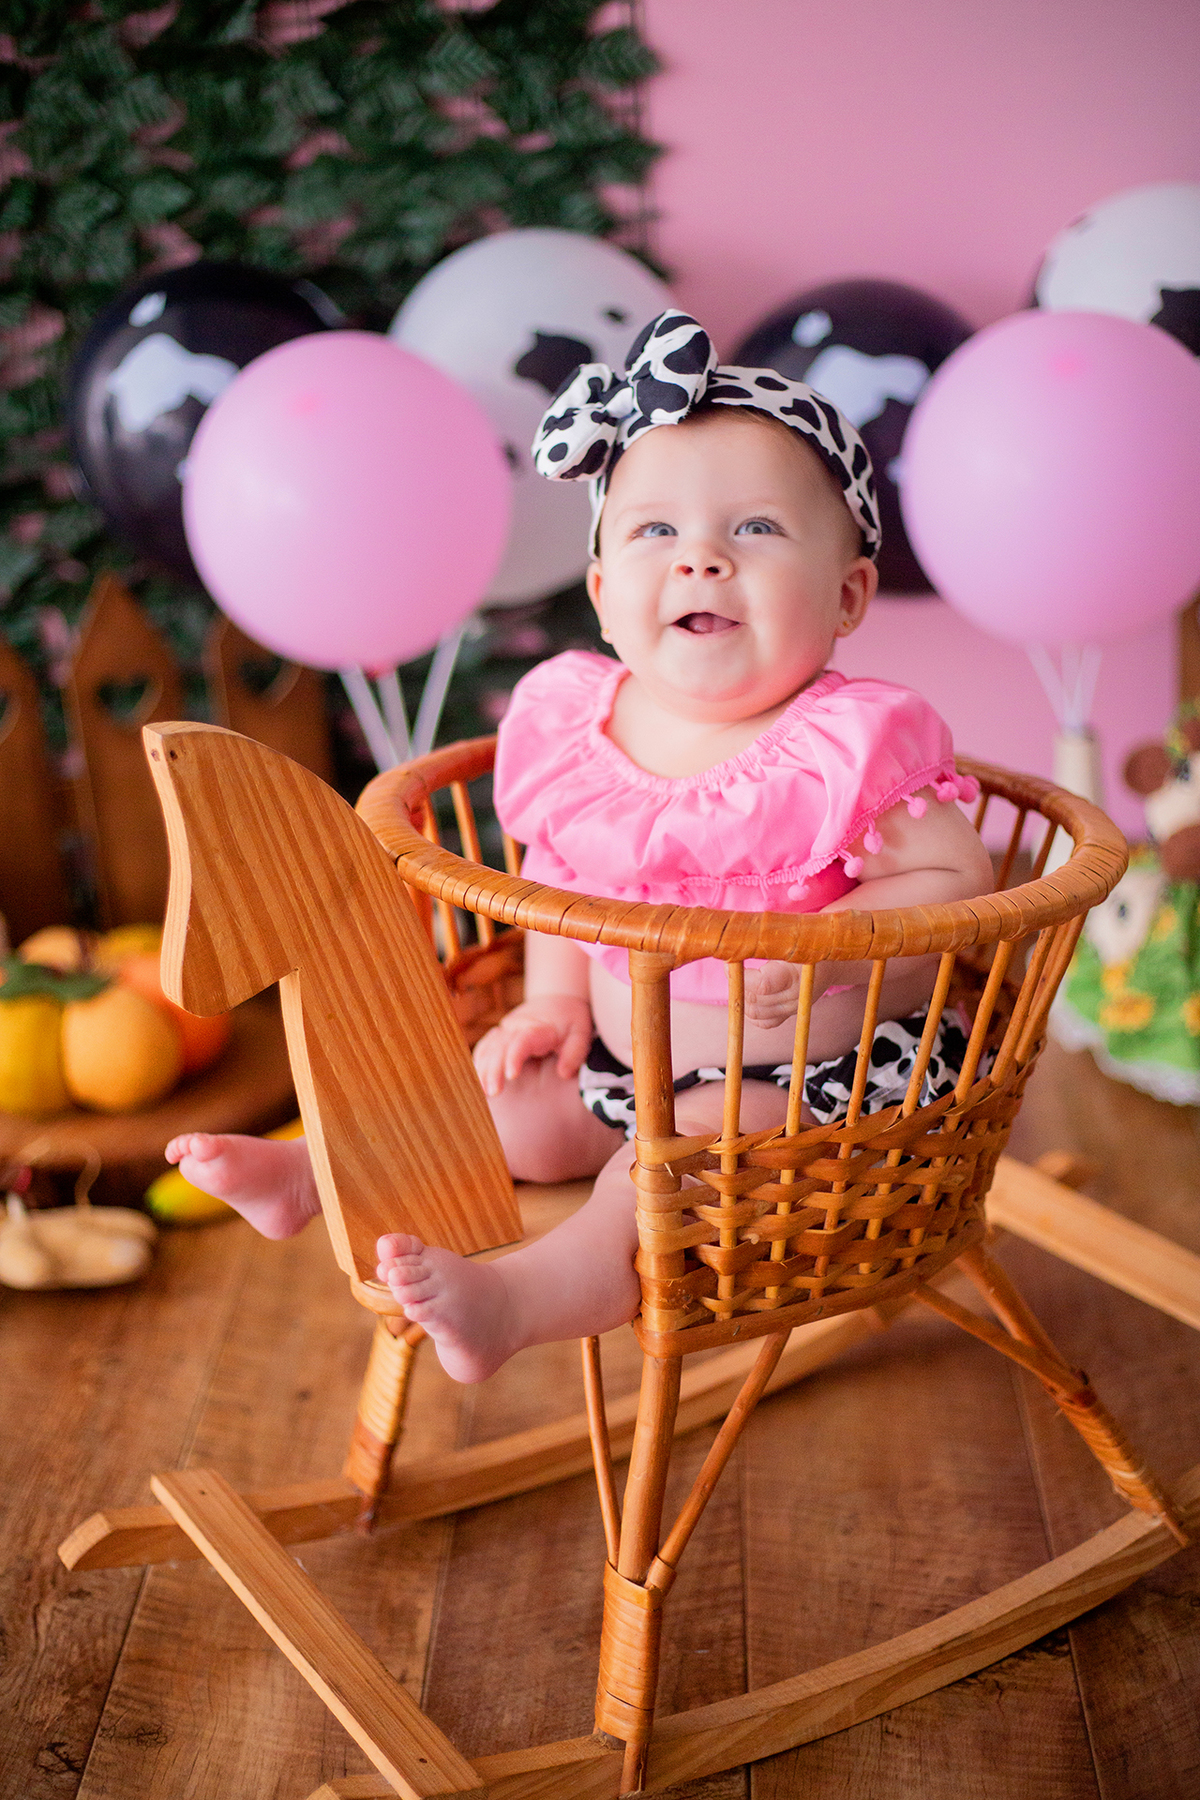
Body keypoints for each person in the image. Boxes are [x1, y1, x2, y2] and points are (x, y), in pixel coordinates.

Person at [166, 311, 993, 1384]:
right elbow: (560, 874)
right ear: (604, 596)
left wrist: (835, 949)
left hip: (813, 1092)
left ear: (847, 597)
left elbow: (958, 883)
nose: (701, 557)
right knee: (506, 1104)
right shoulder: (577, 728)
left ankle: (522, 1300)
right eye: (655, 532)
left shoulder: (850, 745)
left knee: (664, 1165)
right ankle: (316, 1169)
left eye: (755, 530)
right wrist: (554, 1005)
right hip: (620, 1059)